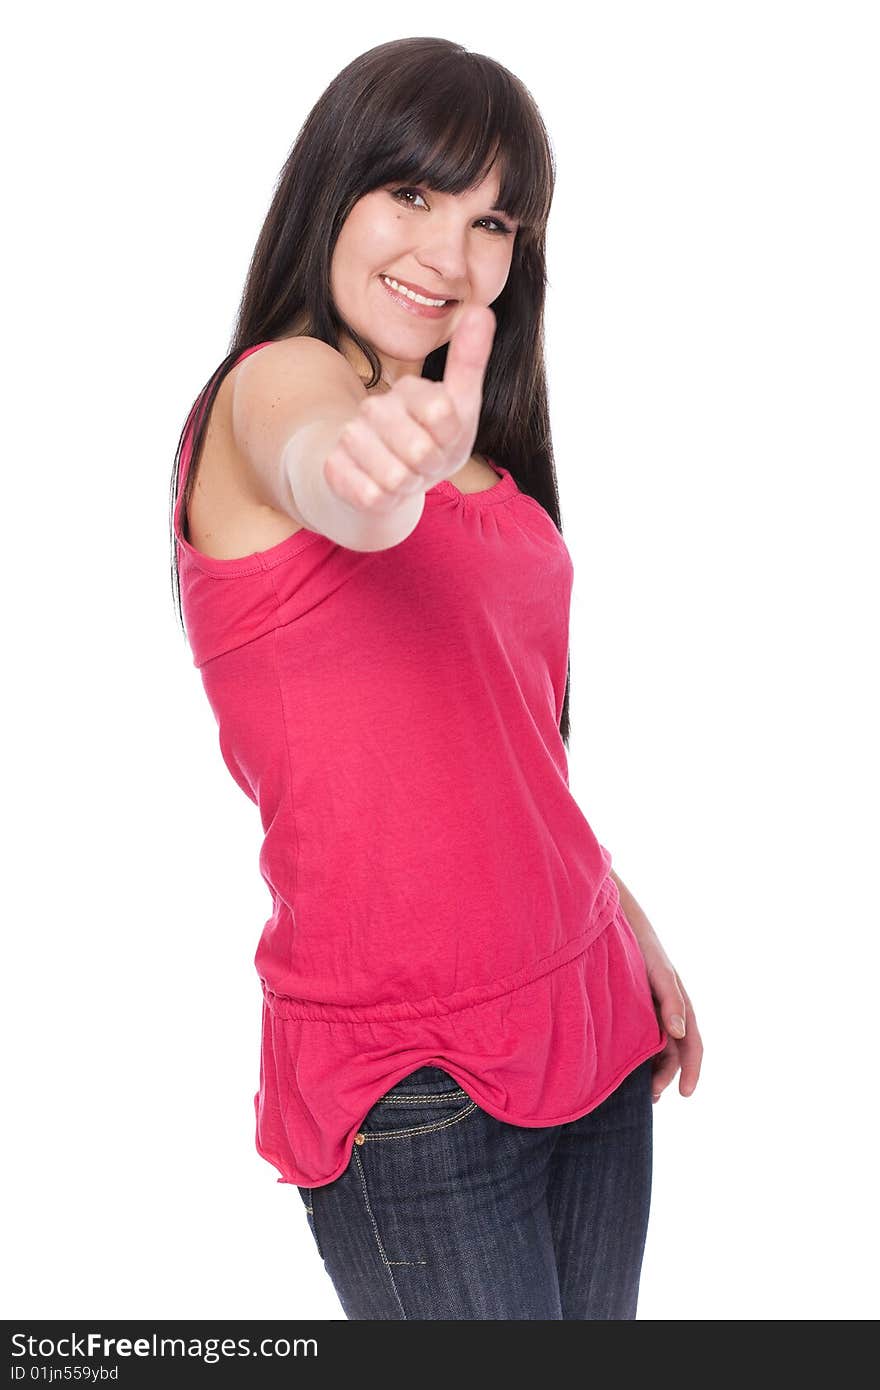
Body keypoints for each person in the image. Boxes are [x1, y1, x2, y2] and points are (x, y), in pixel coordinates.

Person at [170, 36, 703, 1320]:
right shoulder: (274, 395)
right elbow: (324, 468)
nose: (450, 254)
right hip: (412, 1083)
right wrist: (364, 464)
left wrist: (617, 915)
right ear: (332, 189)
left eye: (493, 220)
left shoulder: (486, 464)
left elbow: (502, 742)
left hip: (588, 1014)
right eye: (413, 194)